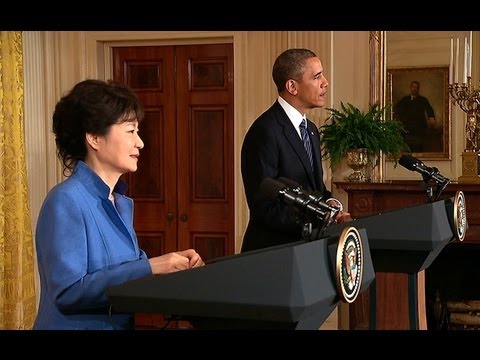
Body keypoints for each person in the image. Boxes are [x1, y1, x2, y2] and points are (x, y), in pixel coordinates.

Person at [33, 79, 204, 330]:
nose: (140, 143)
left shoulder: (119, 203)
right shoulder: (65, 200)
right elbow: (68, 291)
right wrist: (152, 266)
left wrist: (176, 268)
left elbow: (131, 277)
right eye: (130, 130)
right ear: (94, 138)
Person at [240, 48, 351, 253]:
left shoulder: (311, 130)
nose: (325, 82)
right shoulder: (265, 131)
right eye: (317, 77)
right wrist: (320, 219)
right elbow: (265, 207)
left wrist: (331, 204)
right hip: (274, 253)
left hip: (308, 249)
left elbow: (313, 189)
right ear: (292, 86)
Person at [394, 80, 437, 152]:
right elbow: (397, 109)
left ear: (418, 89)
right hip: (408, 127)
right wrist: (401, 119)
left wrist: (431, 117)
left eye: (416, 87)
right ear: (411, 88)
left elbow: (429, 109)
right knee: (408, 147)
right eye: (413, 87)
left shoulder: (423, 100)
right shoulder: (405, 100)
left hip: (420, 127)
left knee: (419, 147)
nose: (415, 89)